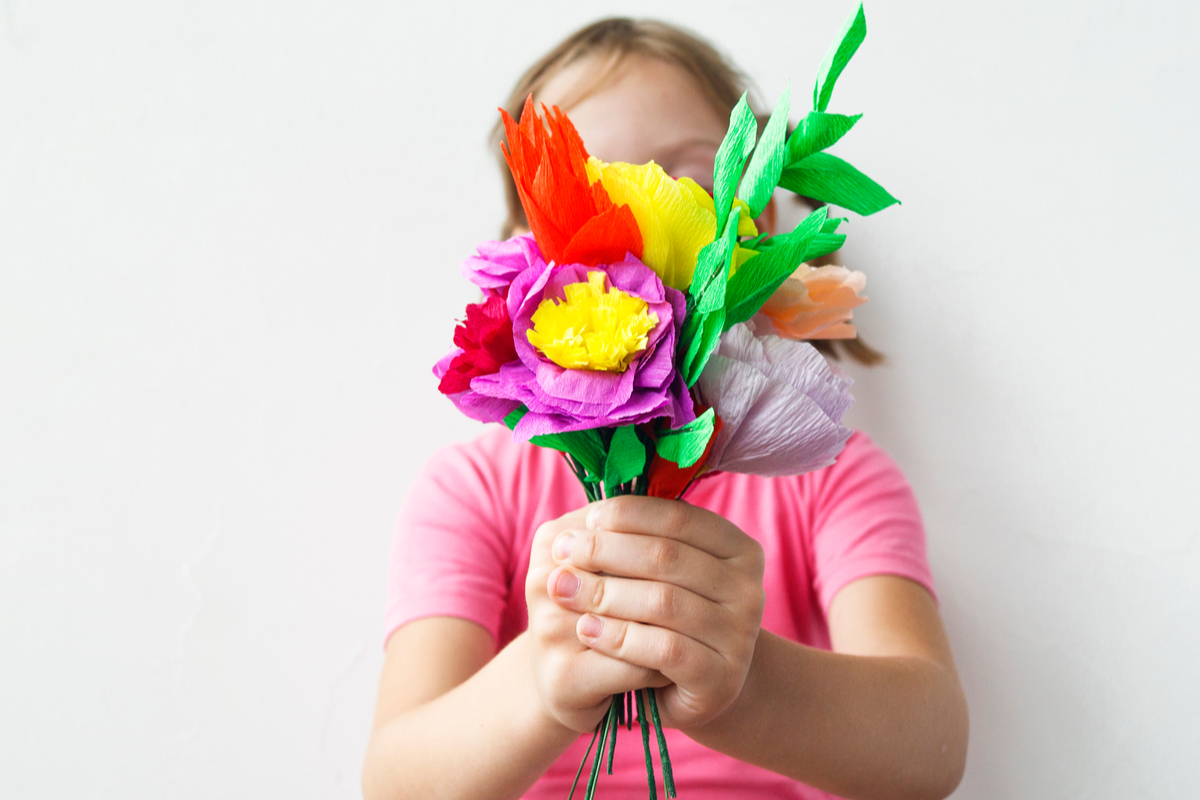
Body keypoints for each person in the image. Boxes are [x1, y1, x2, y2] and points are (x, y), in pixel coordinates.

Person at [363, 18, 969, 800]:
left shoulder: (830, 476)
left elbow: (931, 750)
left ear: (758, 233)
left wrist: (745, 684)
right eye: (591, 196)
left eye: (684, 182)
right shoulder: (474, 490)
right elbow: (395, 783)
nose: (639, 235)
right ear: (521, 262)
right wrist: (541, 687)